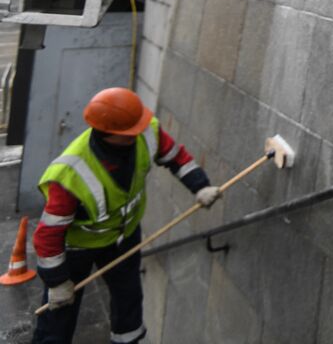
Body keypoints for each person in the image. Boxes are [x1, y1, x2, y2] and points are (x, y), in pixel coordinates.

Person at [32, 88, 222, 344]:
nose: (139, 131)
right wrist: (56, 282)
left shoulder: (145, 131)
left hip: (124, 238)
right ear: (111, 134)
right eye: (132, 130)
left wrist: (200, 185)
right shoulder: (70, 174)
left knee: (128, 300)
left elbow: (176, 157)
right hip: (77, 248)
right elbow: (49, 235)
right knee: (58, 315)